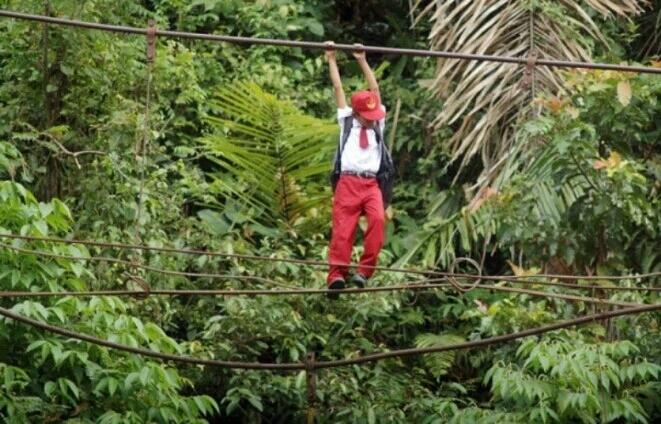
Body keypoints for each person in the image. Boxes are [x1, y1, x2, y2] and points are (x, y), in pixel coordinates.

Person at [324, 41, 395, 299]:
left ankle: (364, 272)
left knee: (377, 220)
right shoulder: (346, 121)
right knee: (343, 230)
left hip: (371, 184)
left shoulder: (378, 124)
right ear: (357, 114)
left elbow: (374, 88)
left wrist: (362, 59)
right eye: (368, 115)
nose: (373, 117)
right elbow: (338, 87)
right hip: (347, 183)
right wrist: (332, 58)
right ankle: (336, 277)